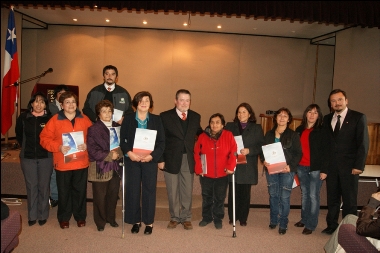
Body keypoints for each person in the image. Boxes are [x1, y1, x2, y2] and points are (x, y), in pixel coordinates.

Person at [40, 91, 92, 229]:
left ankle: (80, 217)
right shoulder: (55, 120)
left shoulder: (84, 119)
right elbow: (44, 139)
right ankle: (64, 218)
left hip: (81, 162)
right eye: (67, 102)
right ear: (62, 105)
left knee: (80, 191)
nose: (71, 105)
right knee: (64, 192)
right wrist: (58, 147)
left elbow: (93, 137)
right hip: (63, 164)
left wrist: (87, 144)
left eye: (73, 102)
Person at [321, 89, 369, 235]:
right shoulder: (327, 119)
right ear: (330, 104)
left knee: (349, 200)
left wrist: (358, 165)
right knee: (333, 199)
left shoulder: (358, 117)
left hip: (350, 168)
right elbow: (325, 145)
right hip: (332, 167)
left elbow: (363, 143)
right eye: (333, 101)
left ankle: (349, 229)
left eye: (339, 99)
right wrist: (325, 167)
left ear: (346, 100)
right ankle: (332, 225)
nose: (337, 103)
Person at [120, 91, 165, 235]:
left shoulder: (157, 120)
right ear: (135, 103)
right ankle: (135, 221)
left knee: (149, 191)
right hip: (132, 160)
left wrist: (153, 156)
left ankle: (148, 222)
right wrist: (130, 153)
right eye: (140, 100)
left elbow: (162, 142)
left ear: (150, 104)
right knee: (132, 191)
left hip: (149, 161)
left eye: (147, 100)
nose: (144, 103)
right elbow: (122, 141)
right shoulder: (127, 119)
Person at [158, 89, 202, 230]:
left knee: (187, 190)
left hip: (188, 159)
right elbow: (160, 139)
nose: (184, 103)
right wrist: (160, 158)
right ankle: (174, 217)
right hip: (170, 158)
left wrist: (214, 134)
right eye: (181, 100)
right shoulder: (164, 116)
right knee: (172, 190)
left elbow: (200, 133)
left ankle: (186, 217)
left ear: (190, 102)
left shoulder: (195, 116)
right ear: (175, 101)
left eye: (187, 100)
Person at [261, 107, 302, 235]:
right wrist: (264, 161)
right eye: (279, 115)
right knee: (273, 195)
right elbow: (263, 151)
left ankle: (283, 223)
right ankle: (274, 220)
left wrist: (291, 166)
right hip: (271, 170)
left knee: (284, 197)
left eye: (285, 116)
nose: (282, 118)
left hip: (287, 170)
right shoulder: (268, 134)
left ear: (289, 119)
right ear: (276, 118)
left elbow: (298, 153)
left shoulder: (293, 135)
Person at [15, 92, 53, 226]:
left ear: (45, 105)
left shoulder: (50, 119)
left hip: (46, 157)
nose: (39, 104)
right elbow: (19, 135)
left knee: (43, 186)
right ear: (31, 103)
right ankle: (32, 215)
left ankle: (42, 214)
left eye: (42, 102)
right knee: (31, 186)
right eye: (36, 101)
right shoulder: (24, 117)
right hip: (28, 157)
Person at [194, 113, 237, 229]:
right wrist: (199, 168)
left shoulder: (228, 135)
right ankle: (206, 217)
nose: (214, 125)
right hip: (206, 173)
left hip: (223, 173)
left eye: (217, 122)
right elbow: (196, 153)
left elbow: (233, 152)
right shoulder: (203, 136)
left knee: (219, 198)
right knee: (207, 196)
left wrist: (230, 166)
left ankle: (218, 218)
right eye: (212, 122)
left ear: (222, 124)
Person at [224, 103, 264, 226]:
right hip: (233, 163)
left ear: (250, 114)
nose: (241, 114)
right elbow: (224, 141)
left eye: (244, 112)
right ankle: (232, 216)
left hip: (247, 165)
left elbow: (261, 147)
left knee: (245, 194)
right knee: (232, 192)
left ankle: (243, 218)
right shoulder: (230, 126)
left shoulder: (257, 128)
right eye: (239, 112)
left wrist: (249, 150)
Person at [87, 100, 123, 231]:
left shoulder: (117, 127)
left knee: (113, 195)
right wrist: (109, 155)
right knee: (100, 197)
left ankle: (111, 218)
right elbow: (92, 150)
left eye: (109, 111)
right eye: (104, 111)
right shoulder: (93, 129)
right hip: (100, 167)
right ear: (98, 114)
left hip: (115, 167)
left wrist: (119, 153)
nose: (107, 114)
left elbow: (122, 145)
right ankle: (100, 222)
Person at [294, 104, 327, 235]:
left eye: (315, 113)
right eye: (310, 112)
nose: (312, 115)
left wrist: (325, 170)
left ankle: (311, 224)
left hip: (316, 168)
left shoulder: (322, 130)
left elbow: (327, 152)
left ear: (319, 116)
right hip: (301, 166)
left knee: (313, 196)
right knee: (305, 195)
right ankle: (304, 219)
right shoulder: (299, 129)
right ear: (306, 114)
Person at [48, 84, 69, 208]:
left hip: (69, 146)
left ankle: (66, 196)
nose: (62, 95)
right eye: (60, 93)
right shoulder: (49, 107)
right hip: (55, 145)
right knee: (54, 173)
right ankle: (55, 197)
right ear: (56, 95)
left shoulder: (73, 108)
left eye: (65, 93)